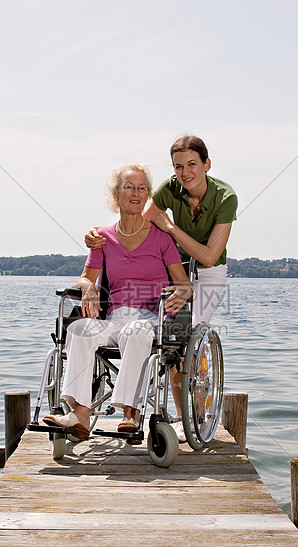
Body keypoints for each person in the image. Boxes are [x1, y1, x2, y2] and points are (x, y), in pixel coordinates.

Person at [86, 136, 237, 439]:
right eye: (178, 166)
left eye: (192, 164)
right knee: (165, 330)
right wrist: (98, 237)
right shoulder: (170, 188)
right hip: (171, 266)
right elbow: (135, 219)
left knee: (182, 334)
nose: (185, 172)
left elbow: (207, 255)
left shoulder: (225, 197)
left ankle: (186, 416)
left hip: (208, 272)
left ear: (206, 164)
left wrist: (169, 228)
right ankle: (148, 407)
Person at [43, 163, 192, 441]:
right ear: (116, 194)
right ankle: (80, 414)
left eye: (142, 188)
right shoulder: (103, 238)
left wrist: (183, 291)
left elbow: (183, 283)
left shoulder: (162, 239)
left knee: (135, 332)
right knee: (78, 330)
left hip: (151, 318)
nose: (136, 193)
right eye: (129, 187)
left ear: (148, 196)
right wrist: (88, 289)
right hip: (114, 319)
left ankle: (130, 413)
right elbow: (85, 278)